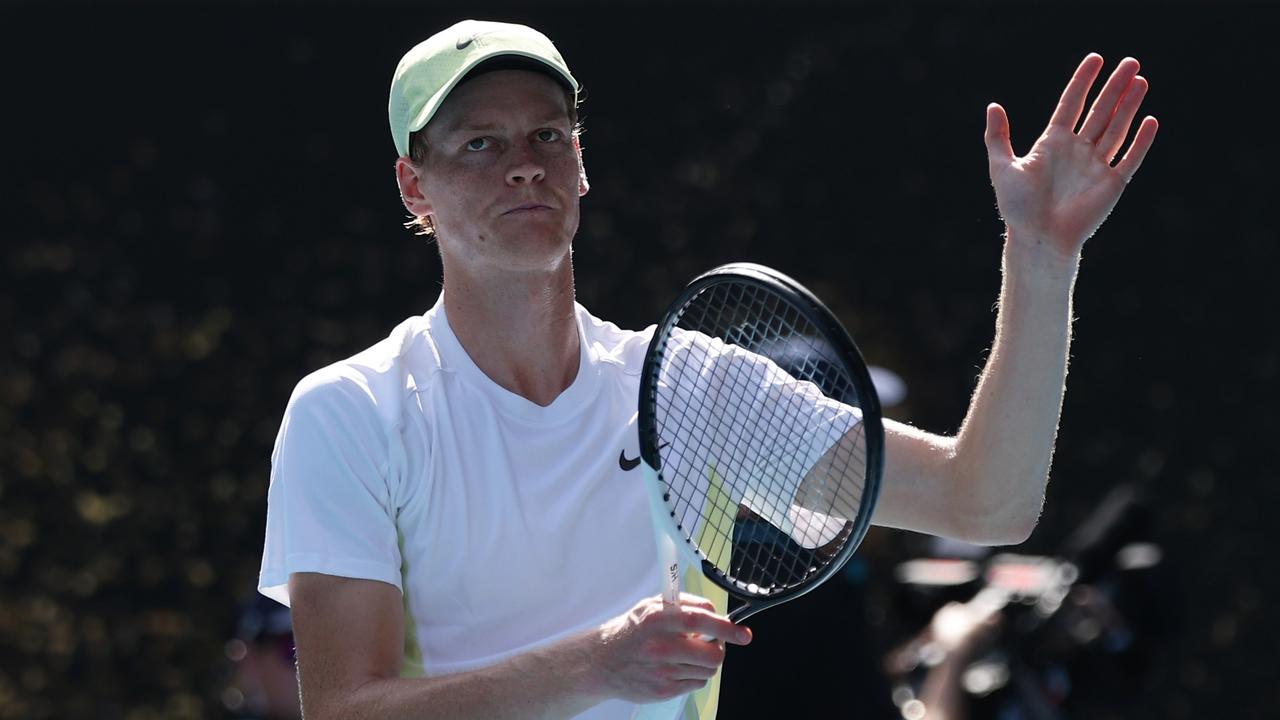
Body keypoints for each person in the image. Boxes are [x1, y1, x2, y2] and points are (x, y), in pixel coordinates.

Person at [257, 18, 1158, 720]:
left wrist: (1040, 258)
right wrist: (595, 665)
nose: (524, 168)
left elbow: (986, 504)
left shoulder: (691, 386)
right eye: (479, 146)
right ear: (416, 186)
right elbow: (344, 708)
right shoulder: (350, 412)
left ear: (581, 165)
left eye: (547, 137)